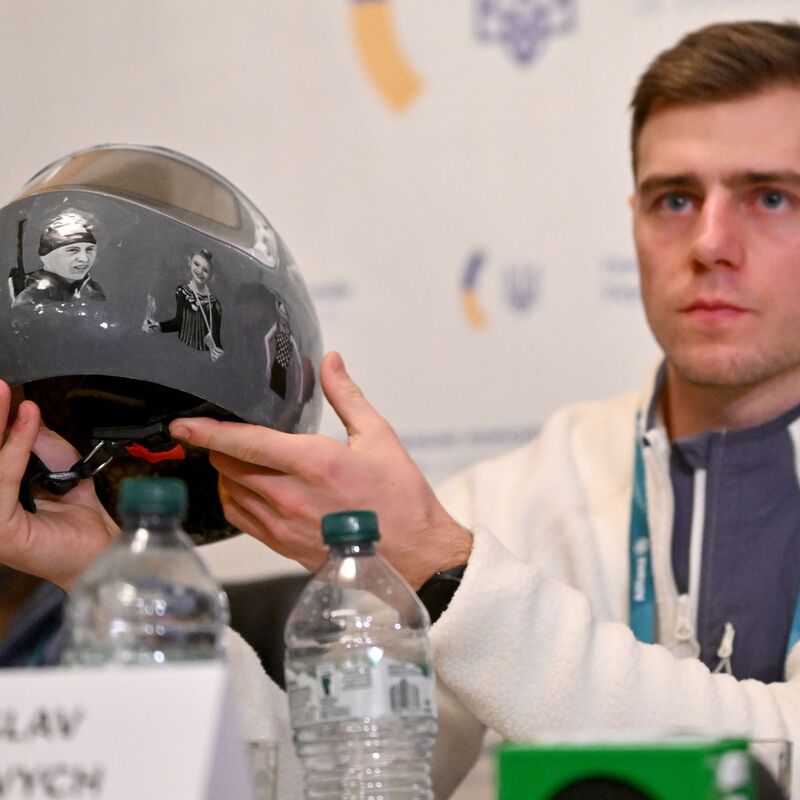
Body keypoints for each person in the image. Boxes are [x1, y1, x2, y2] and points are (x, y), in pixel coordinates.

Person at [158, 19, 800, 797]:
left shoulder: (446, 545)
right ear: (634, 220)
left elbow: (775, 756)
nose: (709, 242)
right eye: (675, 199)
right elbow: (335, 782)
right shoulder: (507, 504)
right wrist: (118, 581)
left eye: (770, 196)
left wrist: (446, 572)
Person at [143, 248, 224, 361]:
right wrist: (154, 324)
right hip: (164, 349)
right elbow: (174, 321)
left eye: (205, 270)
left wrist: (216, 352)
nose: (198, 271)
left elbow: (216, 337)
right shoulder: (173, 289)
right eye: (195, 264)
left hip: (196, 358)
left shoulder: (214, 302)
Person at [11, 212, 104, 305]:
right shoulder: (32, 298)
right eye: (72, 250)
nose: (84, 259)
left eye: (89, 249)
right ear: (45, 256)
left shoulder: (92, 288)